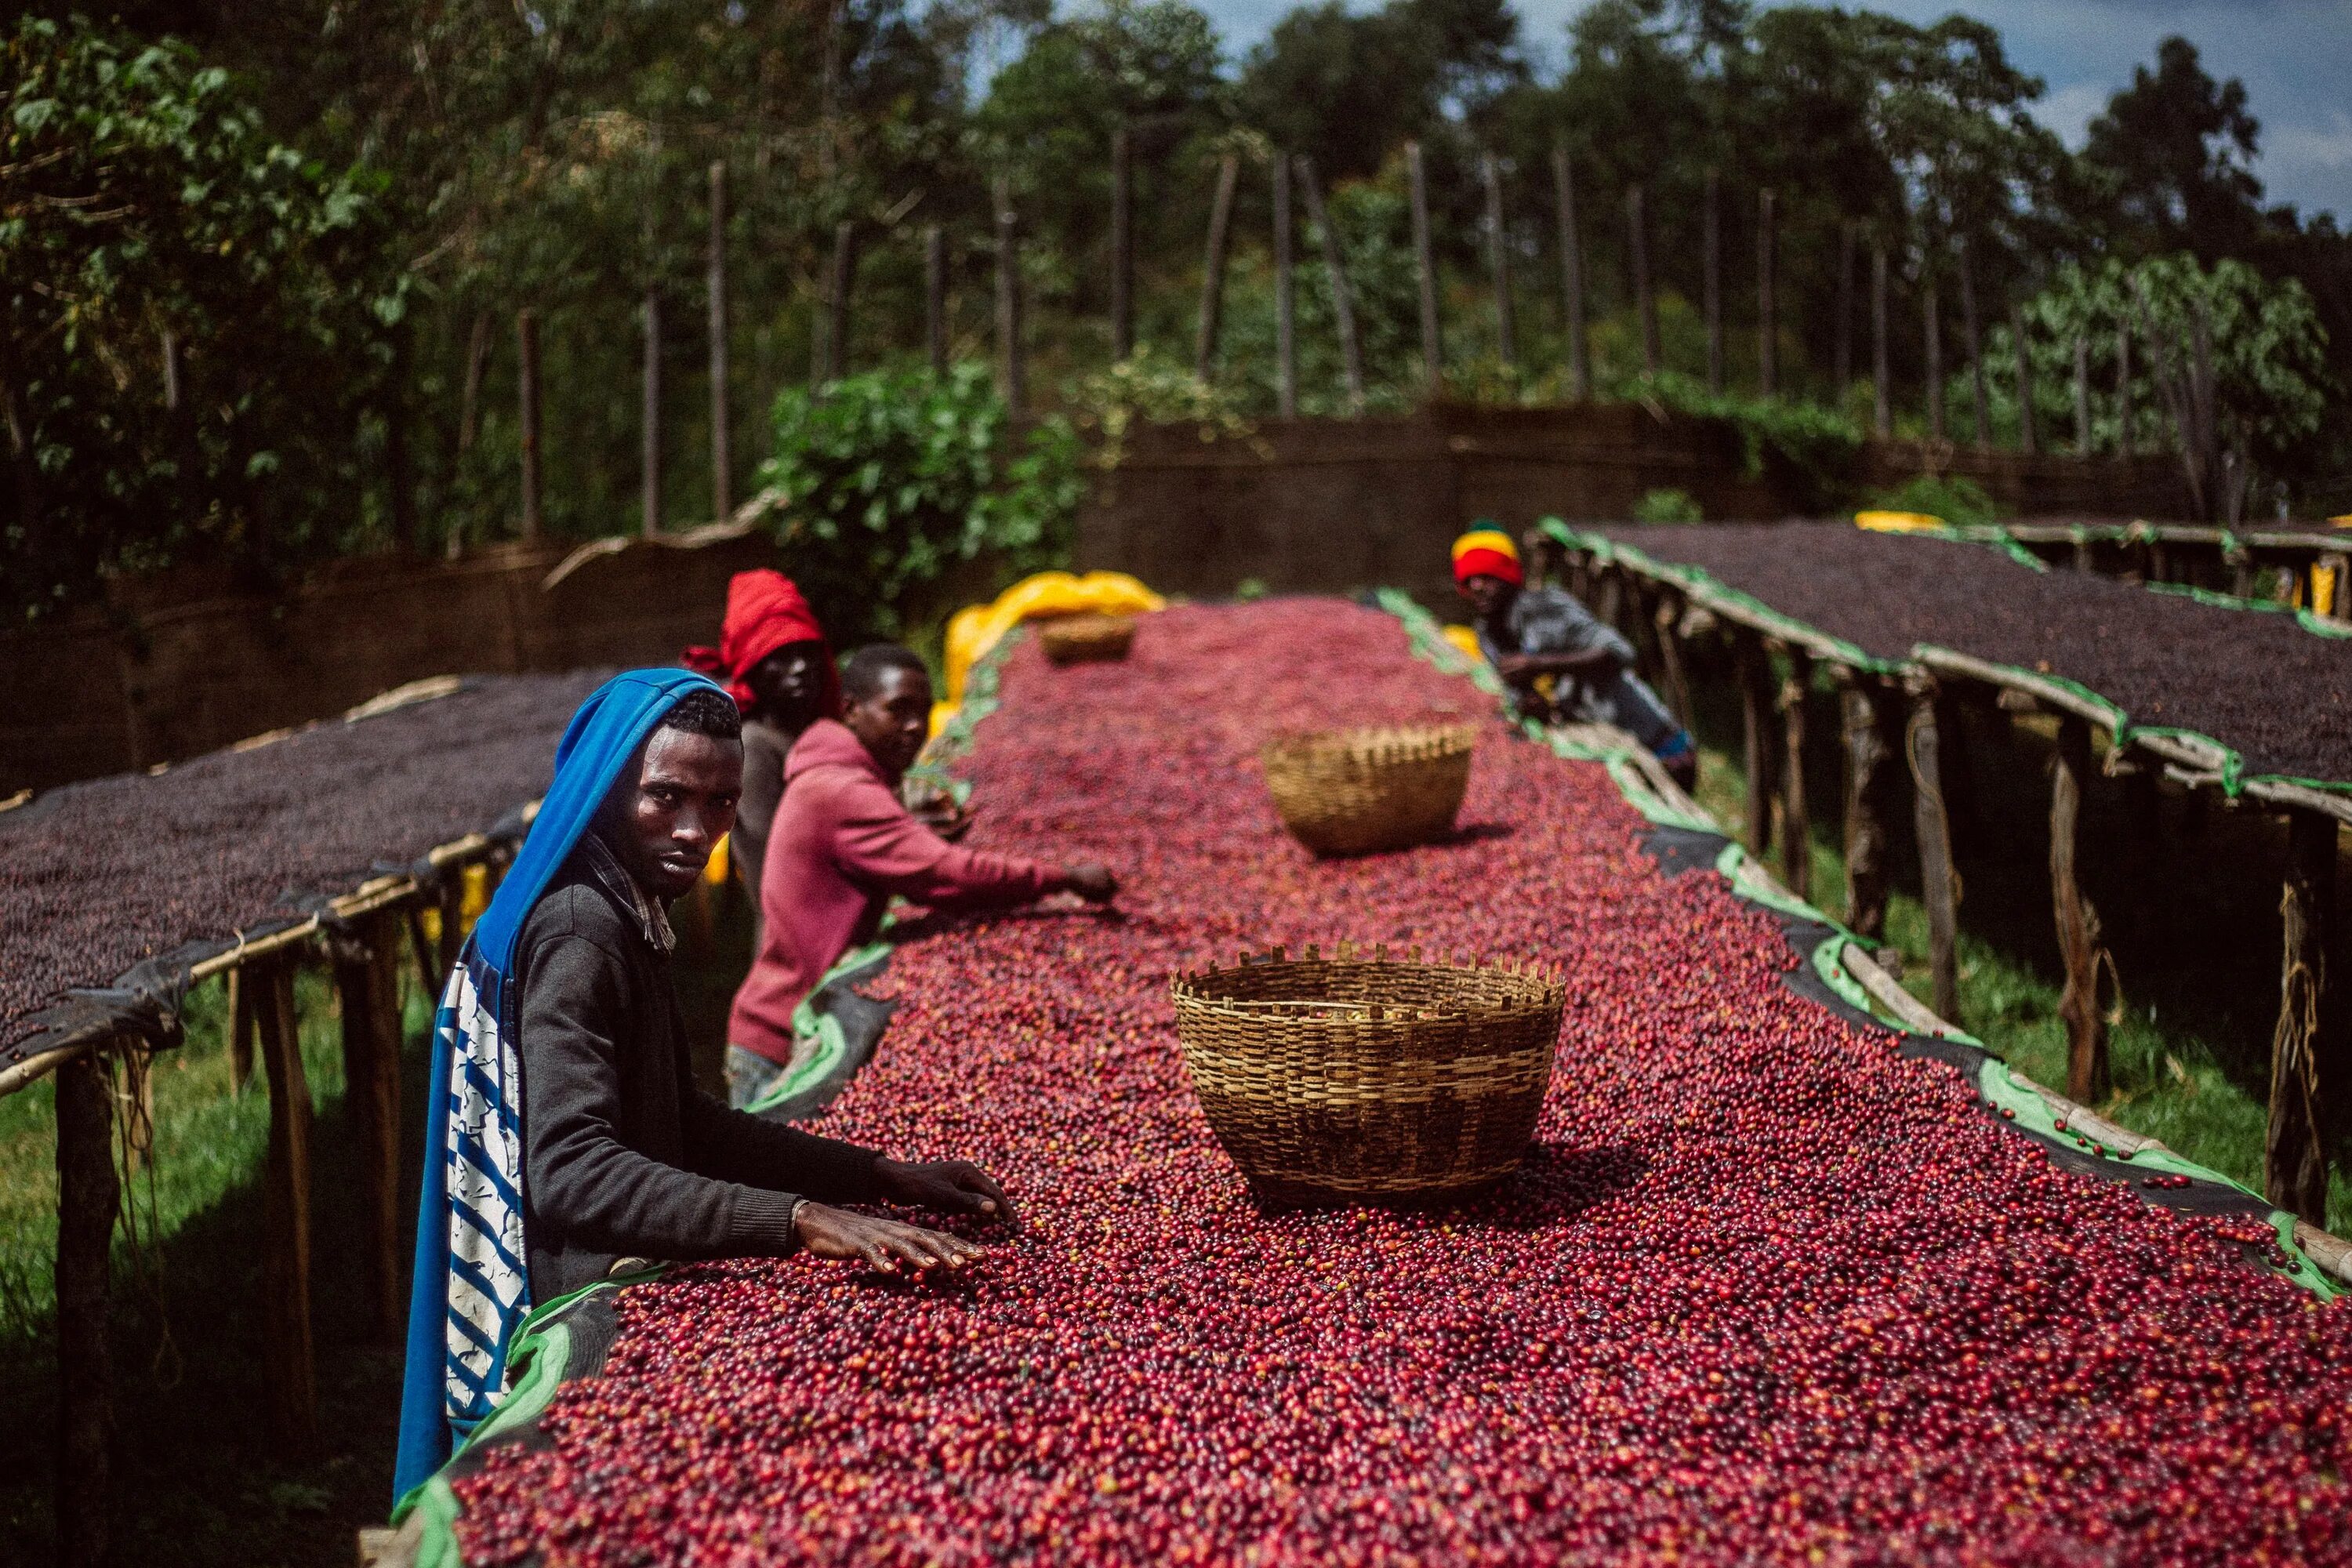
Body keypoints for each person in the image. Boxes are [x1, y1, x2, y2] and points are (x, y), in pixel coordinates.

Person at [393, 670, 1016, 1502]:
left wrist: (874, 1175)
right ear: (609, 786)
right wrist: (793, 1220)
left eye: (721, 802)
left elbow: (680, 1115)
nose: (697, 830)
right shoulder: (583, 934)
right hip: (574, 1306)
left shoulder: (626, 905)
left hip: (616, 1262)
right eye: (666, 797)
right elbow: (573, 1168)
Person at [726, 644, 1116, 1109]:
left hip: (783, 1017)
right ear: (851, 710)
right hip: (781, 1037)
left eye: (924, 713)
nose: (915, 728)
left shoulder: (838, 774)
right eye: (898, 711)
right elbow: (950, 876)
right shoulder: (842, 789)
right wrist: (1065, 879)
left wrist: (911, 831)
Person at [1452, 527, 1698, 789]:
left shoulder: (1544, 607)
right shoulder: (1488, 635)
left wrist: (1539, 665)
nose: (1477, 587)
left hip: (1660, 748)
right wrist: (1533, 704)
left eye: (1487, 576)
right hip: (1604, 748)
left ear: (1508, 577)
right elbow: (1527, 698)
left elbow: (1619, 653)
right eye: (1468, 580)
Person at [682, 570, 839, 915]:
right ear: (752, 667)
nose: (800, 667)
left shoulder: (817, 732)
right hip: (802, 941)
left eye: (807, 651)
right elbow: (782, 876)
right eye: (781, 655)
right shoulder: (754, 750)